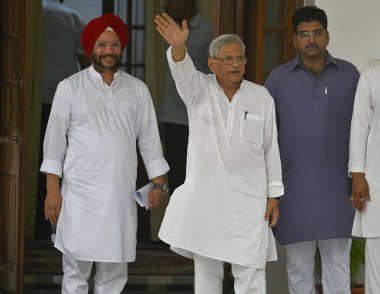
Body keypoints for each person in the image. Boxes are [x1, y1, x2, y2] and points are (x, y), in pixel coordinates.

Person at [155, 13, 284, 294]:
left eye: (240, 58)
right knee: (207, 274)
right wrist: (178, 46)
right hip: (207, 200)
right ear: (212, 63)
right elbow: (182, 70)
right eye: (228, 59)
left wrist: (273, 196)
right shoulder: (198, 89)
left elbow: (270, 148)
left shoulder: (261, 96)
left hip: (249, 202)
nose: (236, 64)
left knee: (251, 273)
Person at [40, 13, 169, 293]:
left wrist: (158, 182)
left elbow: (149, 141)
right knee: (75, 272)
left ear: (121, 47)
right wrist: (53, 189)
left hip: (119, 195)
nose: (108, 50)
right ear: (90, 49)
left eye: (114, 44)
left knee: (114, 273)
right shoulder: (69, 88)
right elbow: (53, 145)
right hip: (79, 195)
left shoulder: (138, 90)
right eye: (101, 44)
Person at [264, 6, 360, 294]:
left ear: (327, 36)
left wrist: (359, 175)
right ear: (294, 40)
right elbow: (266, 137)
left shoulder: (350, 74)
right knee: (298, 267)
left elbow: (364, 129)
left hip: (338, 188)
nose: (311, 40)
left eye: (316, 33)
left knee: (338, 263)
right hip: (294, 188)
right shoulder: (278, 79)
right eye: (304, 34)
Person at [36, 0, 90, 237]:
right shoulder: (74, 18)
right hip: (66, 98)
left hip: (34, 95)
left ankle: (35, 224)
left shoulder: (33, 16)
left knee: (40, 160)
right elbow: (85, 61)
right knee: (67, 162)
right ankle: (67, 225)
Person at [157, 0, 212, 195]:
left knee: (201, 182)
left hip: (201, 120)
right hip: (173, 118)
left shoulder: (208, 29)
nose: (166, 4)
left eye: (172, 0)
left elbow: (214, 74)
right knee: (177, 183)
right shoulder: (168, 28)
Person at [349, 64, 380, 293]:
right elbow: (360, 127)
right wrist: (358, 174)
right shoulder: (372, 76)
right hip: (376, 180)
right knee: (377, 255)